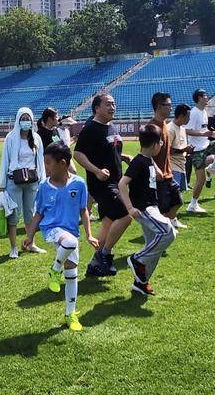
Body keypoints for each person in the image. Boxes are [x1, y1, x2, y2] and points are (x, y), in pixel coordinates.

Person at [24, 142, 98, 331]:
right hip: (52, 229)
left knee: (72, 272)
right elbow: (38, 214)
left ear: (63, 163)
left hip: (71, 231)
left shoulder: (79, 183)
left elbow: (84, 211)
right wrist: (30, 236)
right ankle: (54, 271)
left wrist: (89, 234)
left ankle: (70, 313)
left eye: (48, 163)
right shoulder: (44, 186)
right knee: (70, 242)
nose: (45, 167)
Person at [75, 94, 130, 278]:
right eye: (108, 104)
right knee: (126, 215)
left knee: (108, 222)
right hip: (102, 184)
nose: (113, 107)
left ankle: (94, 264)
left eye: (114, 104)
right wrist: (96, 171)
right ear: (97, 108)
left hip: (116, 181)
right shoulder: (91, 128)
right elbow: (79, 154)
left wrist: (123, 157)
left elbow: (108, 150)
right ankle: (105, 255)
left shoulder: (111, 126)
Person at [117, 124, 176, 297]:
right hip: (144, 208)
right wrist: (130, 208)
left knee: (155, 248)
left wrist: (156, 170)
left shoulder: (148, 160)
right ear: (155, 144)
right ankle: (137, 259)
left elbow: (155, 173)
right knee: (168, 232)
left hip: (152, 206)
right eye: (161, 143)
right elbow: (122, 184)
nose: (163, 146)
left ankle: (140, 283)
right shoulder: (138, 161)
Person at [0, 107, 45, 259]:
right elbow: (5, 161)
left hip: (32, 180)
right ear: (18, 120)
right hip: (14, 180)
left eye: (28, 119)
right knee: (13, 214)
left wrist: (42, 180)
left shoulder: (36, 138)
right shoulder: (11, 138)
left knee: (30, 214)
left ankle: (31, 243)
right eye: (23, 119)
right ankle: (13, 247)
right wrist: (2, 184)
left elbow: (40, 161)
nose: (26, 121)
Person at [185, 90, 215, 214]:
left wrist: (211, 132)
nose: (208, 98)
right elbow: (187, 130)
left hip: (207, 144)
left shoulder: (204, 112)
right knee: (200, 180)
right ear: (199, 98)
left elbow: (203, 128)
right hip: (196, 150)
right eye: (206, 96)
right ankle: (193, 204)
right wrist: (204, 133)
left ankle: (213, 167)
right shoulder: (193, 112)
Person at [148, 93, 185, 231]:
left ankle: (164, 229)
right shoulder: (152, 128)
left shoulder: (165, 125)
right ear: (159, 107)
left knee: (178, 202)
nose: (171, 108)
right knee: (162, 208)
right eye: (168, 105)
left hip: (168, 174)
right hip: (158, 177)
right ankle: (160, 235)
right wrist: (156, 169)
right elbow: (145, 153)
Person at [166, 104, 194, 230]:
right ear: (182, 116)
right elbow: (167, 150)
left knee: (179, 194)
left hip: (181, 165)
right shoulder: (170, 129)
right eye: (188, 116)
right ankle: (168, 220)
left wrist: (187, 151)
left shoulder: (182, 128)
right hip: (172, 166)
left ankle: (171, 219)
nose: (189, 119)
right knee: (175, 197)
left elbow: (180, 147)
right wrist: (184, 149)